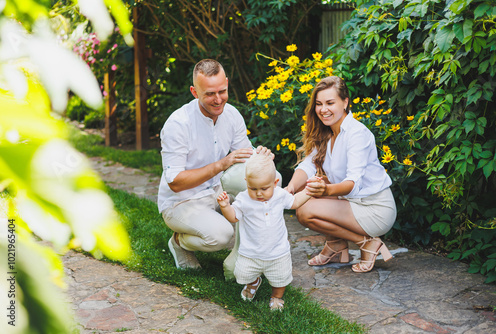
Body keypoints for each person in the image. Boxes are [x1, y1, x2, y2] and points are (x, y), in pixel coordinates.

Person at [157, 59, 271, 270]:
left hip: (216, 191)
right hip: (181, 201)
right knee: (221, 236)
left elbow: (246, 157)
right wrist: (222, 164)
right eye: (210, 94)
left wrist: (261, 157)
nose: (218, 99)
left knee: (264, 191)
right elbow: (175, 183)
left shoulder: (232, 114)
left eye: (222, 91)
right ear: (194, 91)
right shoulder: (178, 124)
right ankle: (178, 242)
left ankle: (246, 261)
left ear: (227, 83)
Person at [285, 76, 397, 273]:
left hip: (375, 209)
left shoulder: (356, 134)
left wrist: (325, 190)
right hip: (353, 203)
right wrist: (290, 188)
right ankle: (337, 247)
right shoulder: (326, 132)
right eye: (319, 104)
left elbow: (352, 182)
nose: (323, 109)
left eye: (330, 103)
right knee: (304, 188)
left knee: (304, 210)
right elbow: (308, 164)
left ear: (345, 102)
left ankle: (367, 243)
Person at [217, 152, 314, 311]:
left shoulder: (280, 195)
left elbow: (295, 202)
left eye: (264, 188)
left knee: (280, 279)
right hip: (250, 252)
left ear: (275, 183)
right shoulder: (243, 199)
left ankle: (276, 297)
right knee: (242, 274)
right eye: (253, 188)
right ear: (246, 182)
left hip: (277, 252)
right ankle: (253, 282)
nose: (259, 193)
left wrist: (309, 191)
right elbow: (233, 217)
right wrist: (225, 206)